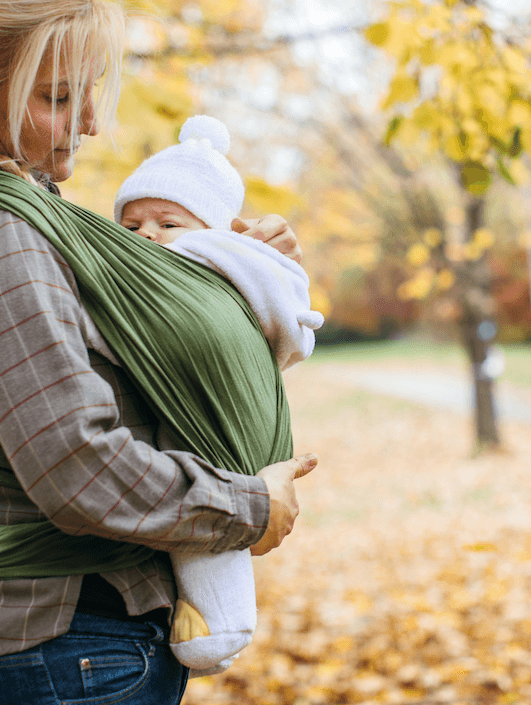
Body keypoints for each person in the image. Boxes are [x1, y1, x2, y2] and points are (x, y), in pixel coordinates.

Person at [0, 0, 316, 705]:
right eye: (58, 96)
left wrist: (235, 273)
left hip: (55, 654)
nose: (91, 122)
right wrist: (246, 508)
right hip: (51, 652)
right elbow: (75, 462)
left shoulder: (12, 215)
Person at [113, 114, 325, 674]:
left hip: (211, 422)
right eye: (131, 226)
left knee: (205, 500)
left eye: (168, 222)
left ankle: (220, 624)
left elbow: (278, 323)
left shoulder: (213, 263)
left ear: (214, 231)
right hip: (190, 421)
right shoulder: (136, 273)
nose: (148, 237)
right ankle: (210, 621)